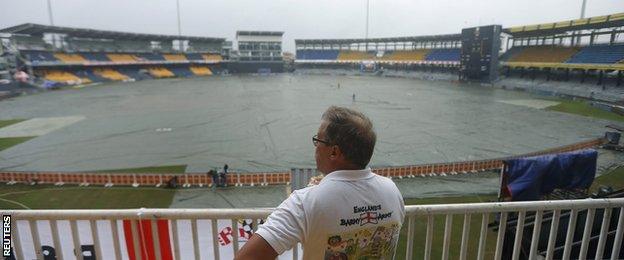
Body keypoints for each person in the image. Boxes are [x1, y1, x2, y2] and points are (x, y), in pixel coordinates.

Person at [235, 106, 405, 260]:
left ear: (334, 152)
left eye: (319, 140)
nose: (316, 146)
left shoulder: (305, 202)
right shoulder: (391, 190)